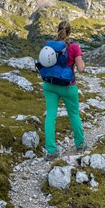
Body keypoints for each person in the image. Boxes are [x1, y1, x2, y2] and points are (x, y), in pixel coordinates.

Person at [43, 20, 87, 160]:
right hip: (67, 86)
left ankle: (51, 151)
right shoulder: (74, 47)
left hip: (49, 85)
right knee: (73, 114)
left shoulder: (49, 45)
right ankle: (80, 144)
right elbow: (80, 69)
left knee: (50, 115)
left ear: (58, 30)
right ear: (70, 32)